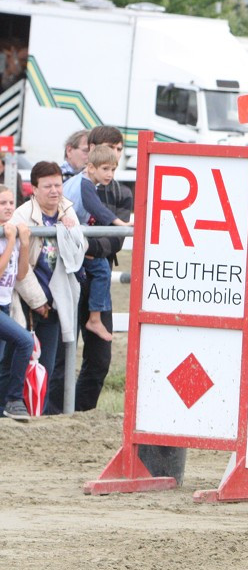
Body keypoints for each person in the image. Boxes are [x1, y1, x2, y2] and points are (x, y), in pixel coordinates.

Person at [5, 161, 86, 415]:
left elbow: (80, 249)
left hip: (56, 298)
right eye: (48, 186)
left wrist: (69, 230)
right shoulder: (21, 215)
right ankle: (9, 406)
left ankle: (37, 410)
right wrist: (37, 301)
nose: (54, 191)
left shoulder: (68, 211)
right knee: (14, 357)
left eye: (58, 184)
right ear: (35, 189)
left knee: (48, 362)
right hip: (27, 299)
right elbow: (20, 266)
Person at [66, 125, 132, 411]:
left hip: (96, 270)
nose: (115, 157)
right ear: (92, 150)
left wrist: (88, 249)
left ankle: (83, 411)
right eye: (110, 149)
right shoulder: (75, 182)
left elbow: (116, 240)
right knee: (61, 351)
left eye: (119, 150)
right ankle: (54, 413)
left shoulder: (122, 192)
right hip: (69, 273)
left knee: (99, 358)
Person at [62, 144, 131, 342]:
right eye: (105, 169)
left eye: (113, 169)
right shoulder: (85, 184)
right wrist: (121, 223)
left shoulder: (79, 181)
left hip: (71, 237)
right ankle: (94, 317)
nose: (110, 174)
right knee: (102, 270)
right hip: (71, 239)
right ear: (91, 167)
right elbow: (97, 209)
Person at [0, 186, 33, 421]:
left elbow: (20, 275)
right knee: (24, 341)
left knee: (4, 361)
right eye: (3, 203)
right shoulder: (4, 236)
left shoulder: (10, 233)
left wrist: (24, 243)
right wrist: (11, 241)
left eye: (11, 202)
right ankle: (13, 399)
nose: (9, 207)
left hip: (4, 305)